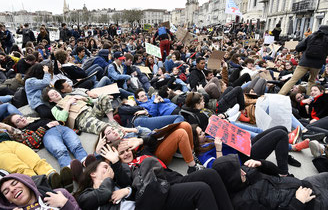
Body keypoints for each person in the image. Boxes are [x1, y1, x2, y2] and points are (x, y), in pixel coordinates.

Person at [97, 139, 234, 210]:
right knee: (202, 189)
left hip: (175, 179)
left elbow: (154, 140)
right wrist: (114, 162)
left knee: (210, 174)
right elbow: (126, 181)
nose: (127, 153)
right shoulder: (124, 168)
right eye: (122, 153)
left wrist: (140, 140)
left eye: (128, 149)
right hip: (161, 190)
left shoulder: (142, 154)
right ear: (117, 157)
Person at [212, 154, 328, 210]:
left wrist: (262, 164)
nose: (243, 172)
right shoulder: (242, 202)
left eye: (240, 168)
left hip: (304, 183)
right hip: (309, 202)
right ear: (230, 180)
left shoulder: (245, 171)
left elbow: (277, 173)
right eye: (238, 172)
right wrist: (298, 202)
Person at [3, 113, 88, 169]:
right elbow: (32, 142)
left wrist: (58, 122)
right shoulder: (25, 131)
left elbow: (59, 122)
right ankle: (71, 171)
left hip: (63, 129)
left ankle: (87, 162)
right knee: (60, 151)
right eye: (18, 121)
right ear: (16, 127)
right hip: (48, 134)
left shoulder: (36, 120)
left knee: (76, 145)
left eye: (21, 117)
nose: (22, 119)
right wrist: (45, 127)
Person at [42, 87, 119, 135]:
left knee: (103, 96)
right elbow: (62, 119)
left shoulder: (68, 96)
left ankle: (112, 120)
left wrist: (84, 99)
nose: (56, 94)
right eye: (52, 95)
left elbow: (91, 102)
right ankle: (119, 131)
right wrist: (68, 104)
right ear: (50, 100)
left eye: (55, 92)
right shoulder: (55, 108)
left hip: (91, 112)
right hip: (83, 120)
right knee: (106, 127)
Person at [279, 25, 328, 95]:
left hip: (304, 62)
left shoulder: (311, 36)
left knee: (293, 80)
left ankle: (280, 95)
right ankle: (309, 98)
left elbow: (298, 47)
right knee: (312, 81)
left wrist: (306, 48)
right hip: (317, 65)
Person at [0, 173, 80, 210]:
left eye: (14, 183)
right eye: (6, 192)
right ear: (8, 200)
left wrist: (65, 204)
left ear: (26, 183)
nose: (12, 189)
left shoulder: (60, 194)